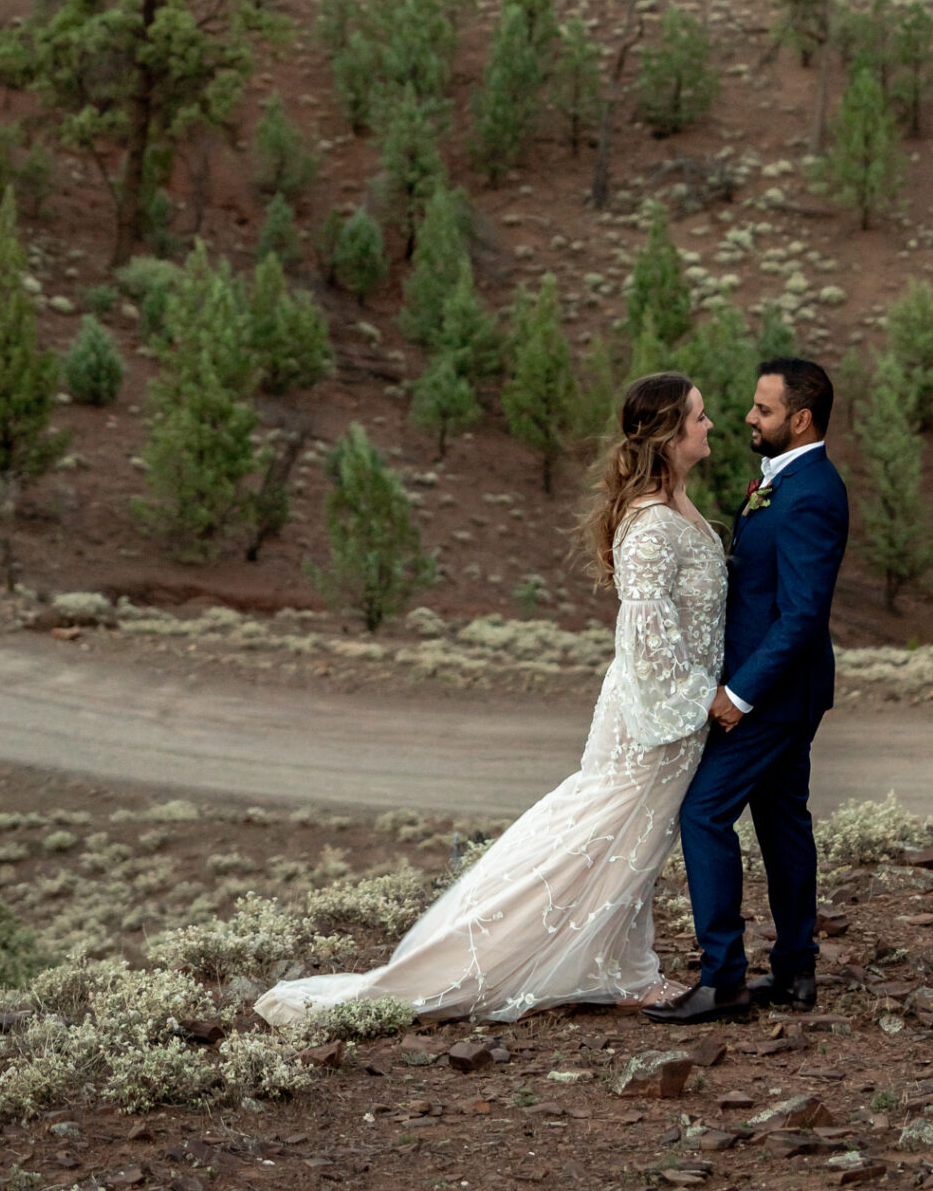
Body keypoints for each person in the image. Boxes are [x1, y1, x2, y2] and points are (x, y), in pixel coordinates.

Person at [254, 372, 726, 1027]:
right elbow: (647, 638)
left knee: (633, 841)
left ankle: (627, 968)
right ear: (670, 435)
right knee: (604, 835)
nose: (710, 426)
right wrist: (707, 701)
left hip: (671, 711)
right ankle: (484, 963)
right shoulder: (649, 526)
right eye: (699, 417)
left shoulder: (675, 503)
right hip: (656, 714)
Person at [645, 356, 849, 1025]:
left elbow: (801, 614)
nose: (746, 418)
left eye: (761, 410)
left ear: (800, 419)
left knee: (703, 812)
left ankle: (724, 979)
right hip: (783, 690)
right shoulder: (782, 481)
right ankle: (793, 974)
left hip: (774, 695)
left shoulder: (812, 491)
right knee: (782, 821)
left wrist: (739, 694)